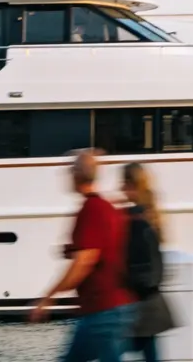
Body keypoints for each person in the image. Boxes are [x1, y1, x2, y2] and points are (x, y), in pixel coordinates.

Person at [30, 149, 135, 362]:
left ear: (77, 175)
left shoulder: (91, 209)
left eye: (70, 171)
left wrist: (48, 297)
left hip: (102, 310)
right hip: (116, 308)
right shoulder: (107, 207)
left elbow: (84, 262)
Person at [122, 163, 175, 362]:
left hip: (140, 303)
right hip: (151, 302)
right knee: (149, 352)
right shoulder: (150, 215)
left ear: (131, 186)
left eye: (124, 184)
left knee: (111, 349)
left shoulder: (137, 220)